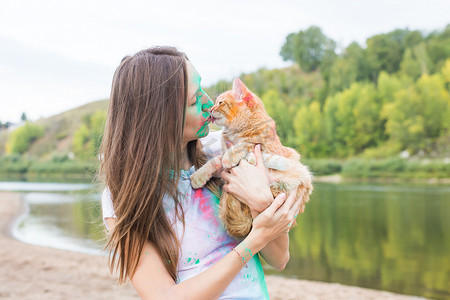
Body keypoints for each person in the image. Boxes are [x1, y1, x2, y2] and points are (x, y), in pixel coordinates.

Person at [99, 46, 302, 299]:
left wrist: (261, 203)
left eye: (203, 88)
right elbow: (164, 296)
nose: (209, 103)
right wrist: (255, 240)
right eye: (195, 100)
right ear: (160, 118)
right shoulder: (121, 198)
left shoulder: (226, 150)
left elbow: (280, 258)